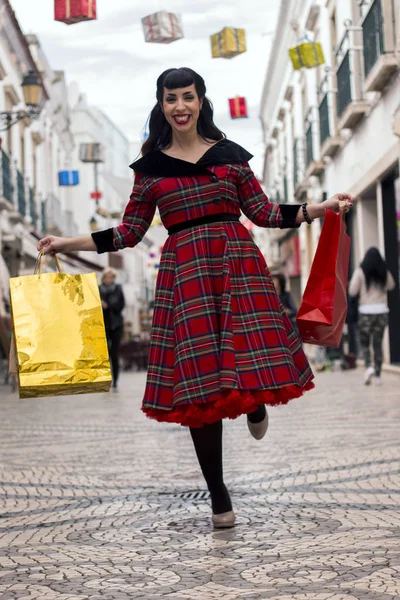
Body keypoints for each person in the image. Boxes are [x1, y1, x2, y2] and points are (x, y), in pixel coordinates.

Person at [37, 67, 353, 529]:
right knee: (200, 384)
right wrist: (67, 243)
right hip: (186, 277)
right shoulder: (150, 172)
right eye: (171, 98)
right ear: (161, 105)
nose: (180, 106)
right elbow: (128, 233)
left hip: (237, 268)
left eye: (188, 96)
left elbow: (262, 213)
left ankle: (255, 400)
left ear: (202, 100)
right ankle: (218, 494)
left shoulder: (230, 158)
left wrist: (316, 209)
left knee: (244, 360)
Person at [348, 247, 395, 386]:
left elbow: (352, 290)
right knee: (378, 343)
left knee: (364, 342)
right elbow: (391, 286)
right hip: (381, 311)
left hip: (365, 312)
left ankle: (369, 367)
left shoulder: (360, 271)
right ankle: (378, 375)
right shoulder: (383, 271)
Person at [99, 267, 125, 390]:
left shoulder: (118, 289)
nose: (110, 279)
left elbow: (121, 305)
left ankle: (115, 380)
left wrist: (108, 306)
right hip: (103, 325)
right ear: (103, 278)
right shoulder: (99, 289)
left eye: (112, 276)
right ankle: (105, 379)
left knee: (115, 353)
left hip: (116, 324)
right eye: (107, 276)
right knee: (104, 354)